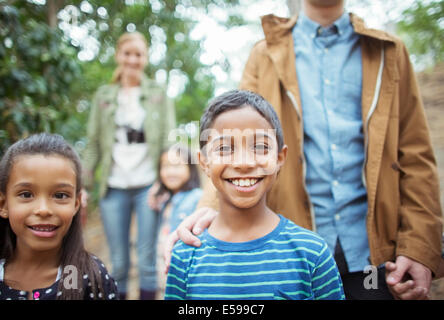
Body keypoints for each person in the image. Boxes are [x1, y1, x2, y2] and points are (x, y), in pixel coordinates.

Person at [165, 0, 443, 300]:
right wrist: (209, 207)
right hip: (290, 253)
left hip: (374, 256)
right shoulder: (265, 54)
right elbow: (235, 138)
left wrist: (419, 245)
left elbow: (415, 156)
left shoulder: (390, 51)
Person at [164, 90, 345, 300]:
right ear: (204, 162)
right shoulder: (185, 257)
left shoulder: (312, 254)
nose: (243, 162)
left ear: (279, 158)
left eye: (260, 146)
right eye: (224, 148)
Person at [82, 31, 176, 300]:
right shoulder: (104, 95)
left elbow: (169, 140)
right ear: (118, 55)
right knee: (119, 263)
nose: (133, 60)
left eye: (139, 54)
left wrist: (164, 181)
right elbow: (93, 143)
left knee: (147, 260)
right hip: (114, 186)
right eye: (128, 53)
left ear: (145, 59)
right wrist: (83, 185)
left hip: (148, 185)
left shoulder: (158, 93)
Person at [0, 133, 118, 300]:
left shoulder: (89, 279)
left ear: (76, 204)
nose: (43, 210)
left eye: (60, 196)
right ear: (3, 204)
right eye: (26, 194)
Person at [149, 145, 202, 298]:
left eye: (177, 166)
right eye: (165, 166)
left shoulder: (197, 197)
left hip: (181, 268)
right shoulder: (166, 200)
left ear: (190, 169)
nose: (170, 172)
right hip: (163, 264)